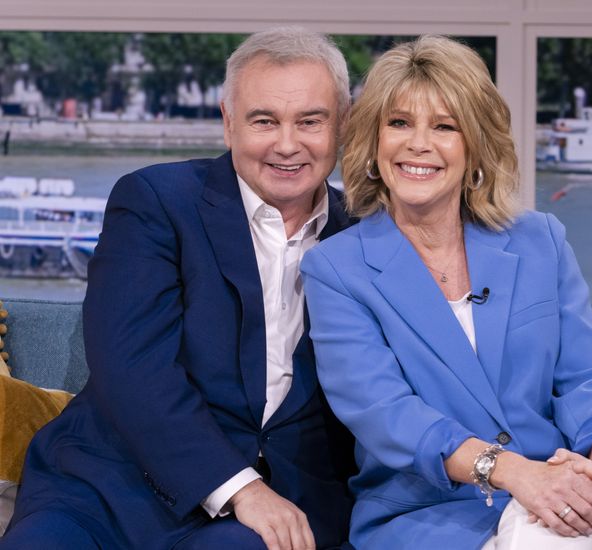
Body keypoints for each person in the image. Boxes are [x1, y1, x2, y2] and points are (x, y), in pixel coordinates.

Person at [300, 35, 592, 549]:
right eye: (399, 123)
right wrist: (516, 474)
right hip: (433, 513)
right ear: (374, 143)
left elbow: (587, 379)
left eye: (445, 127)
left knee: (553, 535)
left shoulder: (541, 241)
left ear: (475, 147)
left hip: (580, 493)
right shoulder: (337, 269)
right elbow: (387, 414)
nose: (418, 144)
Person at [3, 27, 354, 550]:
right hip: (110, 487)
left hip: (279, 504)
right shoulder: (155, 201)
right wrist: (241, 488)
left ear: (342, 125)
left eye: (310, 121)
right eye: (264, 120)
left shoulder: (364, 237)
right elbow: (132, 365)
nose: (287, 143)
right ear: (228, 122)